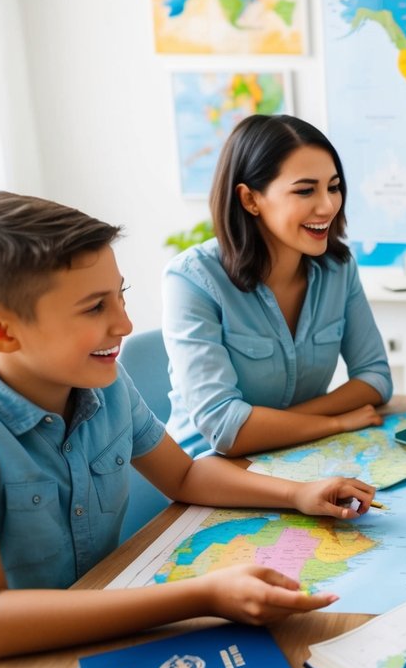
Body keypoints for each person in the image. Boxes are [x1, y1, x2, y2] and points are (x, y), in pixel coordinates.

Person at [0, 192, 376, 661]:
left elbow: (183, 475)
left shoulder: (102, 383)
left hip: (108, 624)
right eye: (93, 308)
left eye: (119, 296)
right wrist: (202, 596)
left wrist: (297, 493)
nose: (124, 323)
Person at [163, 114, 392, 458]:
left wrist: (269, 425)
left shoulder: (338, 269)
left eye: (333, 187)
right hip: (207, 472)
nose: (328, 205)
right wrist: (335, 422)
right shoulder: (192, 279)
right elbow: (226, 429)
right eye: (305, 190)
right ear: (250, 199)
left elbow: (375, 379)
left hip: (298, 456)